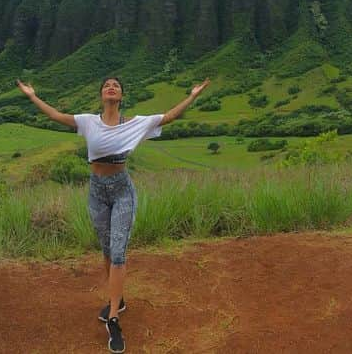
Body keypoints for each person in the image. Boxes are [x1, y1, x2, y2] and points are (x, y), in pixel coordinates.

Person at [17, 75, 210, 353]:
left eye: (116, 86)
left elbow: (168, 117)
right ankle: (118, 298)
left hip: (122, 191)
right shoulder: (87, 121)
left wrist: (192, 96)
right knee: (107, 251)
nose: (111, 87)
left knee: (118, 252)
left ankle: (114, 318)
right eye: (107, 85)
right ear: (101, 95)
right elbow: (57, 116)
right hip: (97, 192)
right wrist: (32, 96)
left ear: (120, 97)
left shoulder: (135, 124)